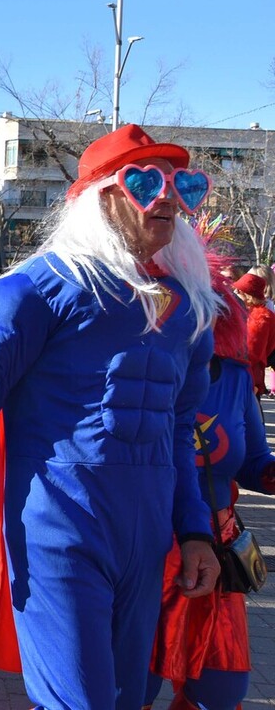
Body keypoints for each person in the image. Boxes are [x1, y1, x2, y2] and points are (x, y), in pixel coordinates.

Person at [0, 124, 220, 709]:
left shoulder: (184, 312)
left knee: (128, 696)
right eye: (144, 182)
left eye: (182, 185)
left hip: (146, 532)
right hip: (59, 528)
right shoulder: (32, 293)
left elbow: (180, 431)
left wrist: (194, 530)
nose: (167, 198)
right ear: (101, 197)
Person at [145, 262, 275, 710]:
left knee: (221, 688)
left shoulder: (236, 379)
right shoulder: (142, 371)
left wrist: (270, 473)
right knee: (128, 685)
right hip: (146, 543)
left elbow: (254, 461)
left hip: (217, 551)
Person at [231, 272, 275, 400]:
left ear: (247, 295)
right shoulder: (247, 312)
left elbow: (252, 353)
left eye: (238, 292)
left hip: (248, 378)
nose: (234, 294)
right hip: (245, 376)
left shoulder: (261, 317)